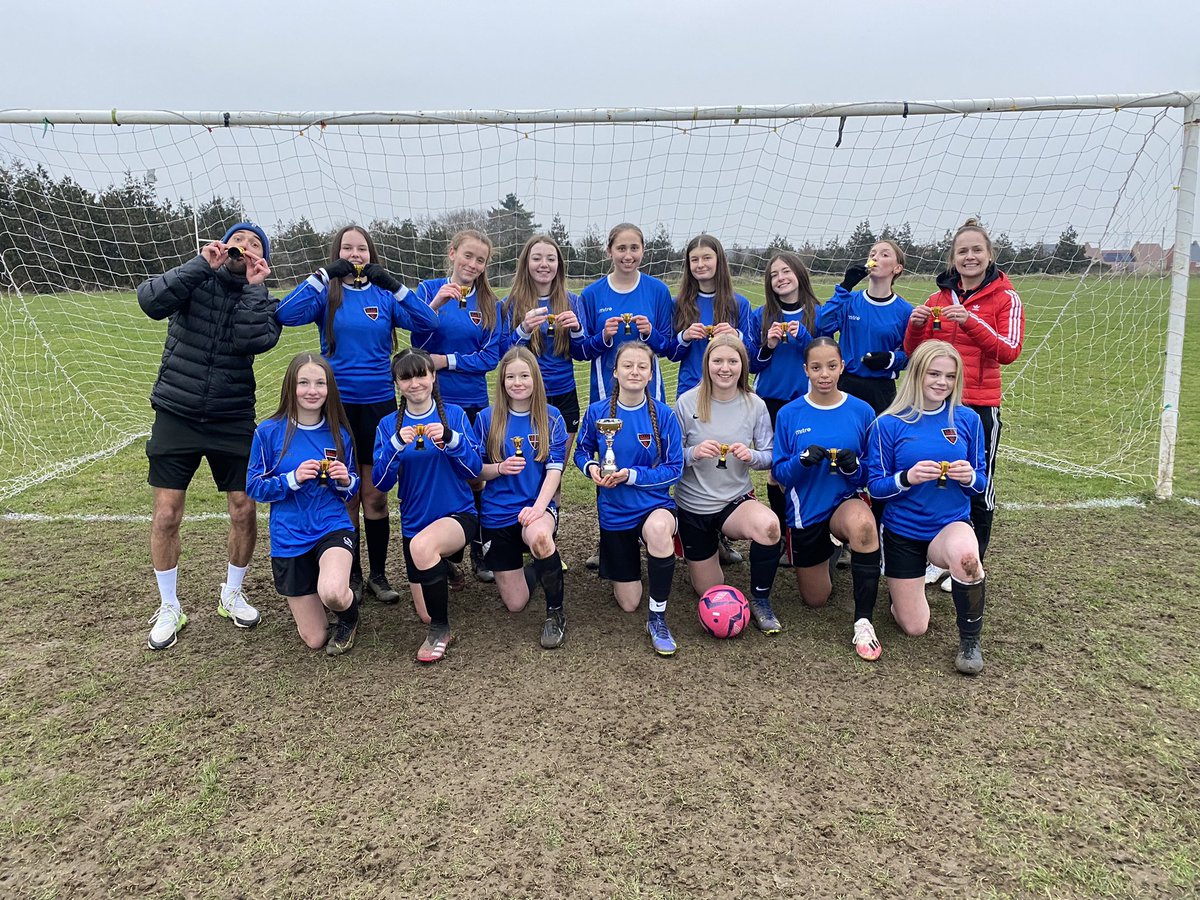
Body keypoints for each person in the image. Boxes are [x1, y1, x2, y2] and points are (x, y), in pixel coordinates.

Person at [275, 225, 438, 606]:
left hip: (379, 407)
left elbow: (428, 324)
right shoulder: (328, 294)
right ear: (337, 252)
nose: (355, 254)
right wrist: (324, 274)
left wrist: (394, 284)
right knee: (345, 495)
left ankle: (379, 574)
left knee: (374, 496)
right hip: (336, 409)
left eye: (361, 248)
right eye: (347, 248)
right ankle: (352, 574)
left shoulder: (383, 294)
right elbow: (285, 312)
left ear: (371, 254)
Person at [138, 221, 281, 651]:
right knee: (166, 514)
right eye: (239, 240)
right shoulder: (196, 279)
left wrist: (254, 288)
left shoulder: (261, 299)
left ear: (263, 260)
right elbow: (150, 301)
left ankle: (232, 593)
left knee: (243, 509)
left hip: (232, 417)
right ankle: (169, 606)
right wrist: (201, 265)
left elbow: (253, 339)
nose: (245, 247)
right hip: (177, 412)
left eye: (256, 245)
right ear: (223, 245)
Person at [904, 218, 1024, 590]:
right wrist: (914, 324)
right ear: (953, 259)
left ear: (990, 255)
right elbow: (913, 354)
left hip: (978, 406)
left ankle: (971, 564)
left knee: (975, 483)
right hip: (935, 408)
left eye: (976, 250)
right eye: (962, 251)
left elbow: (1009, 351)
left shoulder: (1006, 298)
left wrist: (971, 321)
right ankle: (940, 558)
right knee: (937, 481)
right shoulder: (937, 299)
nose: (969, 257)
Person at [865, 340, 989, 674]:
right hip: (903, 532)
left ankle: (970, 642)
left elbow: (982, 482)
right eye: (934, 373)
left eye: (950, 376)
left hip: (949, 525)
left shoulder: (967, 419)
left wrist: (968, 478)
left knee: (967, 558)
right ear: (917, 374)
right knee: (915, 627)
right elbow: (875, 487)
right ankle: (900, 588)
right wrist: (907, 477)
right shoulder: (887, 424)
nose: (942, 382)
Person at [771, 338, 883, 661]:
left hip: (845, 503)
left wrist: (855, 467)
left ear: (842, 367)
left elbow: (870, 476)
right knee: (816, 599)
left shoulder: (862, 411)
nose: (824, 374)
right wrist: (801, 461)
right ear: (805, 369)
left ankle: (863, 621)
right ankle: (833, 548)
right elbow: (780, 474)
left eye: (831, 366)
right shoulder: (790, 414)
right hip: (807, 514)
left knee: (863, 525)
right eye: (816, 367)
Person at [246, 354, 361, 654]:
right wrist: (292, 479)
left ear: (329, 389)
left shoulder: (340, 433)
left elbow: (351, 490)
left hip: (331, 525)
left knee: (334, 593)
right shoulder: (268, 432)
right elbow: (254, 486)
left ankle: (349, 616)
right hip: (289, 536)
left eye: (320, 383)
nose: (312, 390)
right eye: (304, 383)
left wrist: (346, 481)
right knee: (315, 639)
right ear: (290, 387)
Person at [372, 349, 482, 663]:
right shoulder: (387, 425)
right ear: (397, 383)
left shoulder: (456, 415)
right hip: (415, 522)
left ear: (433, 376)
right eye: (406, 377)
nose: (415, 383)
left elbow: (475, 473)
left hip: (457, 515)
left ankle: (441, 629)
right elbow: (380, 486)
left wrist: (452, 440)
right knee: (423, 609)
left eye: (421, 374)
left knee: (423, 549)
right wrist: (394, 446)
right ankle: (444, 565)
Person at [575, 341, 683, 656]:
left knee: (660, 531)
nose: (635, 372)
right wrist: (592, 467)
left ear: (651, 374)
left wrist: (632, 475)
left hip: (654, 506)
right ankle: (623, 563)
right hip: (614, 512)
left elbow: (675, 469)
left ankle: (658, 619)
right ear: (616, 372)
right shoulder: (597, 412)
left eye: (642, 367)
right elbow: (580, 452)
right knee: (628, 602)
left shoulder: (664, 415)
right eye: (628, 366)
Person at [577, 223, 675, 569]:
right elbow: (581, 349)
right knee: (607, 458)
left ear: (643, 251)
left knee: (651, 452)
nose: (628, 255)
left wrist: (653, 334)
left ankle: (655, 527)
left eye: (634, 248)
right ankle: (610, 538)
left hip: (648, 388)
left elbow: (671, 346)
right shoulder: (590, 295)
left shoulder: (658, 290)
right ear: (609, 252)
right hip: (608, 389)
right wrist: (603, 336)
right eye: (621, 248)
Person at [673, 335, 781, 633]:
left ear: (743, 366)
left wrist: (752, 456)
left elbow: (770, 455)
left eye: (732, 361)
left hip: (734, 501)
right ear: (706, 365)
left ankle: (760, 599)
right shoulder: (686, 402)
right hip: (693, 507)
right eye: (717, 361)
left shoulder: (754, 404)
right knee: (709, 588)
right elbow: (668, 458)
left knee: (769, 527)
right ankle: (711, 549)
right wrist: (693, 453)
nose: (725, 368)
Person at [415, 229, 505, 583]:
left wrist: (446, 361)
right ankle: (445, 553)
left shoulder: (490, 305)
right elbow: (416, 344)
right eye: (467, 256)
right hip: (431, 402)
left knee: (475, 475)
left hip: (471, 402)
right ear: (452, 253)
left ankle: (479, 551)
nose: (472, 264)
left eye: (480, 260)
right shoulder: (427, 291)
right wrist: (434, 306)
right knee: (441, 476)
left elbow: (489, 357)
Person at [475, 347, 570, 648]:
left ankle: (555, 614)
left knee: (540, 537)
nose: (518, 382)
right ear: (502, 381)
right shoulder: (486, 419)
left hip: (536, 507)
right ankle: (540, 569)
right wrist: (499, 468)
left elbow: (555, 471)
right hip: (496, 513)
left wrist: (539, 508)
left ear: (535, 379)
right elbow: (475, 474)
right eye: (511, 376)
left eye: (524, 376)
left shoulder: (551, 417)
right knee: (515, 604)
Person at [748, 250, 818, 561]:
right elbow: (751, 364)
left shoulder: (818, 313)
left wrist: (803, 337)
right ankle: (783, 537)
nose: (781, 278)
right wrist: (768, 345)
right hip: (770, 402)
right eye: (774, 274)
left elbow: (823, 358)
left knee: (805, 468)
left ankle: (811, 531)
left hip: (806, 403)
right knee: (776, 472)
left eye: (786, 271)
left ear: (799, 275)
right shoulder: (761, 315)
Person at [504, 234, 587, 465]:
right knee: (530, 465)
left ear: (558, 265)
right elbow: (503, 354)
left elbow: (582, 353)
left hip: (564, 394)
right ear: (526, 264)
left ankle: (554, 504)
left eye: (551, 259)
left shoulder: (573, 301)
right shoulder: (510, 303)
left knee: (556, 467)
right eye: (537, 258)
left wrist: (577, 330)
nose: (544, 264)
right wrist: (523, 330)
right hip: (525, 395)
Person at [816, 240, 914, 415]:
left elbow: (911, 355)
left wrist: (890, 359)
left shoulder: (905, 311)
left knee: (879, 441)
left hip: (881, 391)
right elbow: (823, 323)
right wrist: (845, 287)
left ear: (897, 268)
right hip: (846, 385)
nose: (875, 257)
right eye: (872, 254)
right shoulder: (849, 300)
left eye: (884, 254)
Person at [666, 234, 753, 400]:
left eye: (706, 258)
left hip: (730, 391)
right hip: (690, 390)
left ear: (718, 260)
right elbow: (671, 354)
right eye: (694, 259)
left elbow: (752, 355)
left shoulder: (739, 304)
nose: (700, 265)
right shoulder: (678, 303)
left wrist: (736, 336)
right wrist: (685, 337)